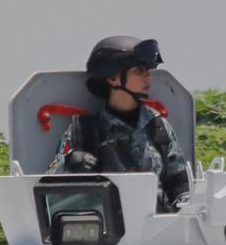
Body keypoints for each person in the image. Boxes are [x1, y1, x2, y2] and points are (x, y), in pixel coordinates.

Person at [48, 36, 190, 212]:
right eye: (138, 71)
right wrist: (70, 162)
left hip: (157, 224)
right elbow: (48, 186)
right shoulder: (83, 131)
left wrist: (184, 211)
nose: (147, 76)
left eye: (147, 70)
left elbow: (181, 187)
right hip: (102, 225)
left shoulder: (158, 128)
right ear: (113, 78)